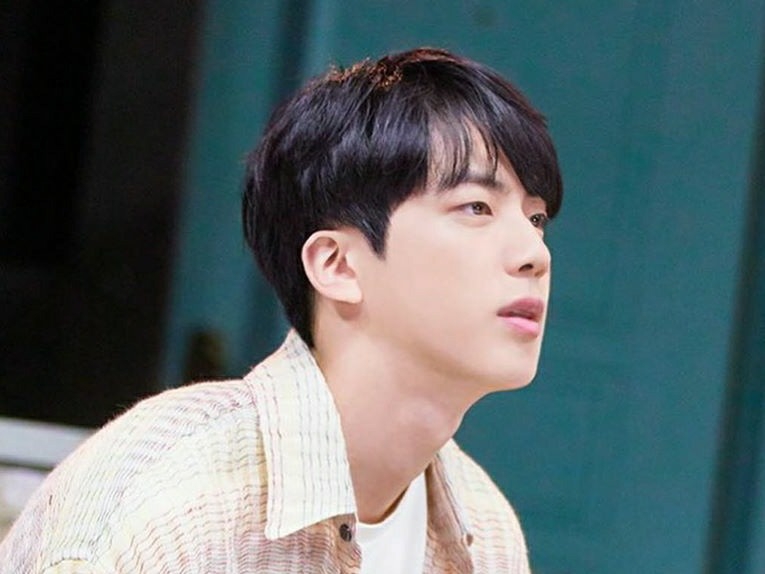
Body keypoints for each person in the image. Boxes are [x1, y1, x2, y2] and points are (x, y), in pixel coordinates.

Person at [0, 47, 562, 573]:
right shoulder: (175, 503)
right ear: (337, 265)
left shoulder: (484, 525)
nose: (534, 254)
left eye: (535, 219)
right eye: (476, 207)